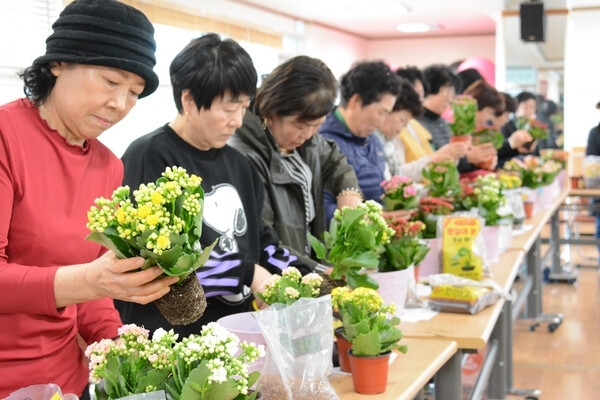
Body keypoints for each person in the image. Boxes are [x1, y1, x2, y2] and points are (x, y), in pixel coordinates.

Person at [0, 1, 175, 398]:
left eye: (134, 93)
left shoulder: (108, 167)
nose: (121, 104)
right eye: (111, 81)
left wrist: (119, 343)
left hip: (68, 382)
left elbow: (93, 289)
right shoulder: (6, 136)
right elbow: (86, 279)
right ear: (59, 63)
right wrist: (89, 279)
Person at [116, 34, 308, 338]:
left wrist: (305, 276)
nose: (238, 122)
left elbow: (260, 239)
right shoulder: (149, 156)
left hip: (235, 336)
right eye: (229, 109)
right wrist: (247, 274)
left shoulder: (239, 164)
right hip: (172, 341)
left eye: (244, 108)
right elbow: (156, 262)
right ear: (189, 100)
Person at [229, 55, 362, 270]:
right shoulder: (245, 156)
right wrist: (319, 273)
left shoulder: (305, 142)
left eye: (316, 125)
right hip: (280, 276)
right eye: (300, 125)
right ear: (271, 111)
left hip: (308, 266)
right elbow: (266, 240)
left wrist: (348, 192)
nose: (308, 135)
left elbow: (333, 158)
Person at [318, 60, 401, 222]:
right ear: (356, 100)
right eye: (380, 113)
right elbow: (321, 209)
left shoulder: (373, 141)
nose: (381, 122)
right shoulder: (324, 141)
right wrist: (370, 220)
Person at [374, 77, 468, 182]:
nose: (401, 129)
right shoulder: (378, 140)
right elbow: (399, 177)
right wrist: (437, 157)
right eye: (401, 120)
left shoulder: (409, 130)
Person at [416, 64, 496, 175]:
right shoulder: (416, 123)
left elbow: (456, 162)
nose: (450, 100)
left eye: (452, 94)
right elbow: (429, 162)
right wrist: (468, 158)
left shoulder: (444, 123)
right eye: (447, 92)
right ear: (430, 90)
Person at [498, 91, 538, 168]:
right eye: (525, 107)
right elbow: (498, 151)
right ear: (517, 106)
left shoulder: (533, 128)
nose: (529, 111)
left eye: (532, 107)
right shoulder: (505, 125)